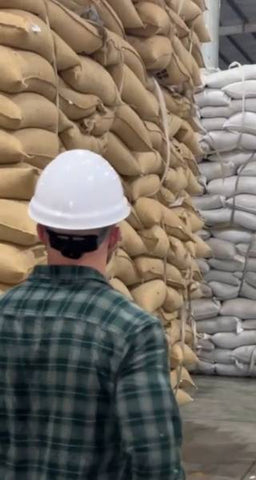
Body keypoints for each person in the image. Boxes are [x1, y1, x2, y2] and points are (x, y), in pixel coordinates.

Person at [0, 150, 185, 479]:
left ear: (42, 232)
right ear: (114, 238)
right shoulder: (133, 331)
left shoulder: (4, 314)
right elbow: (154, 462)